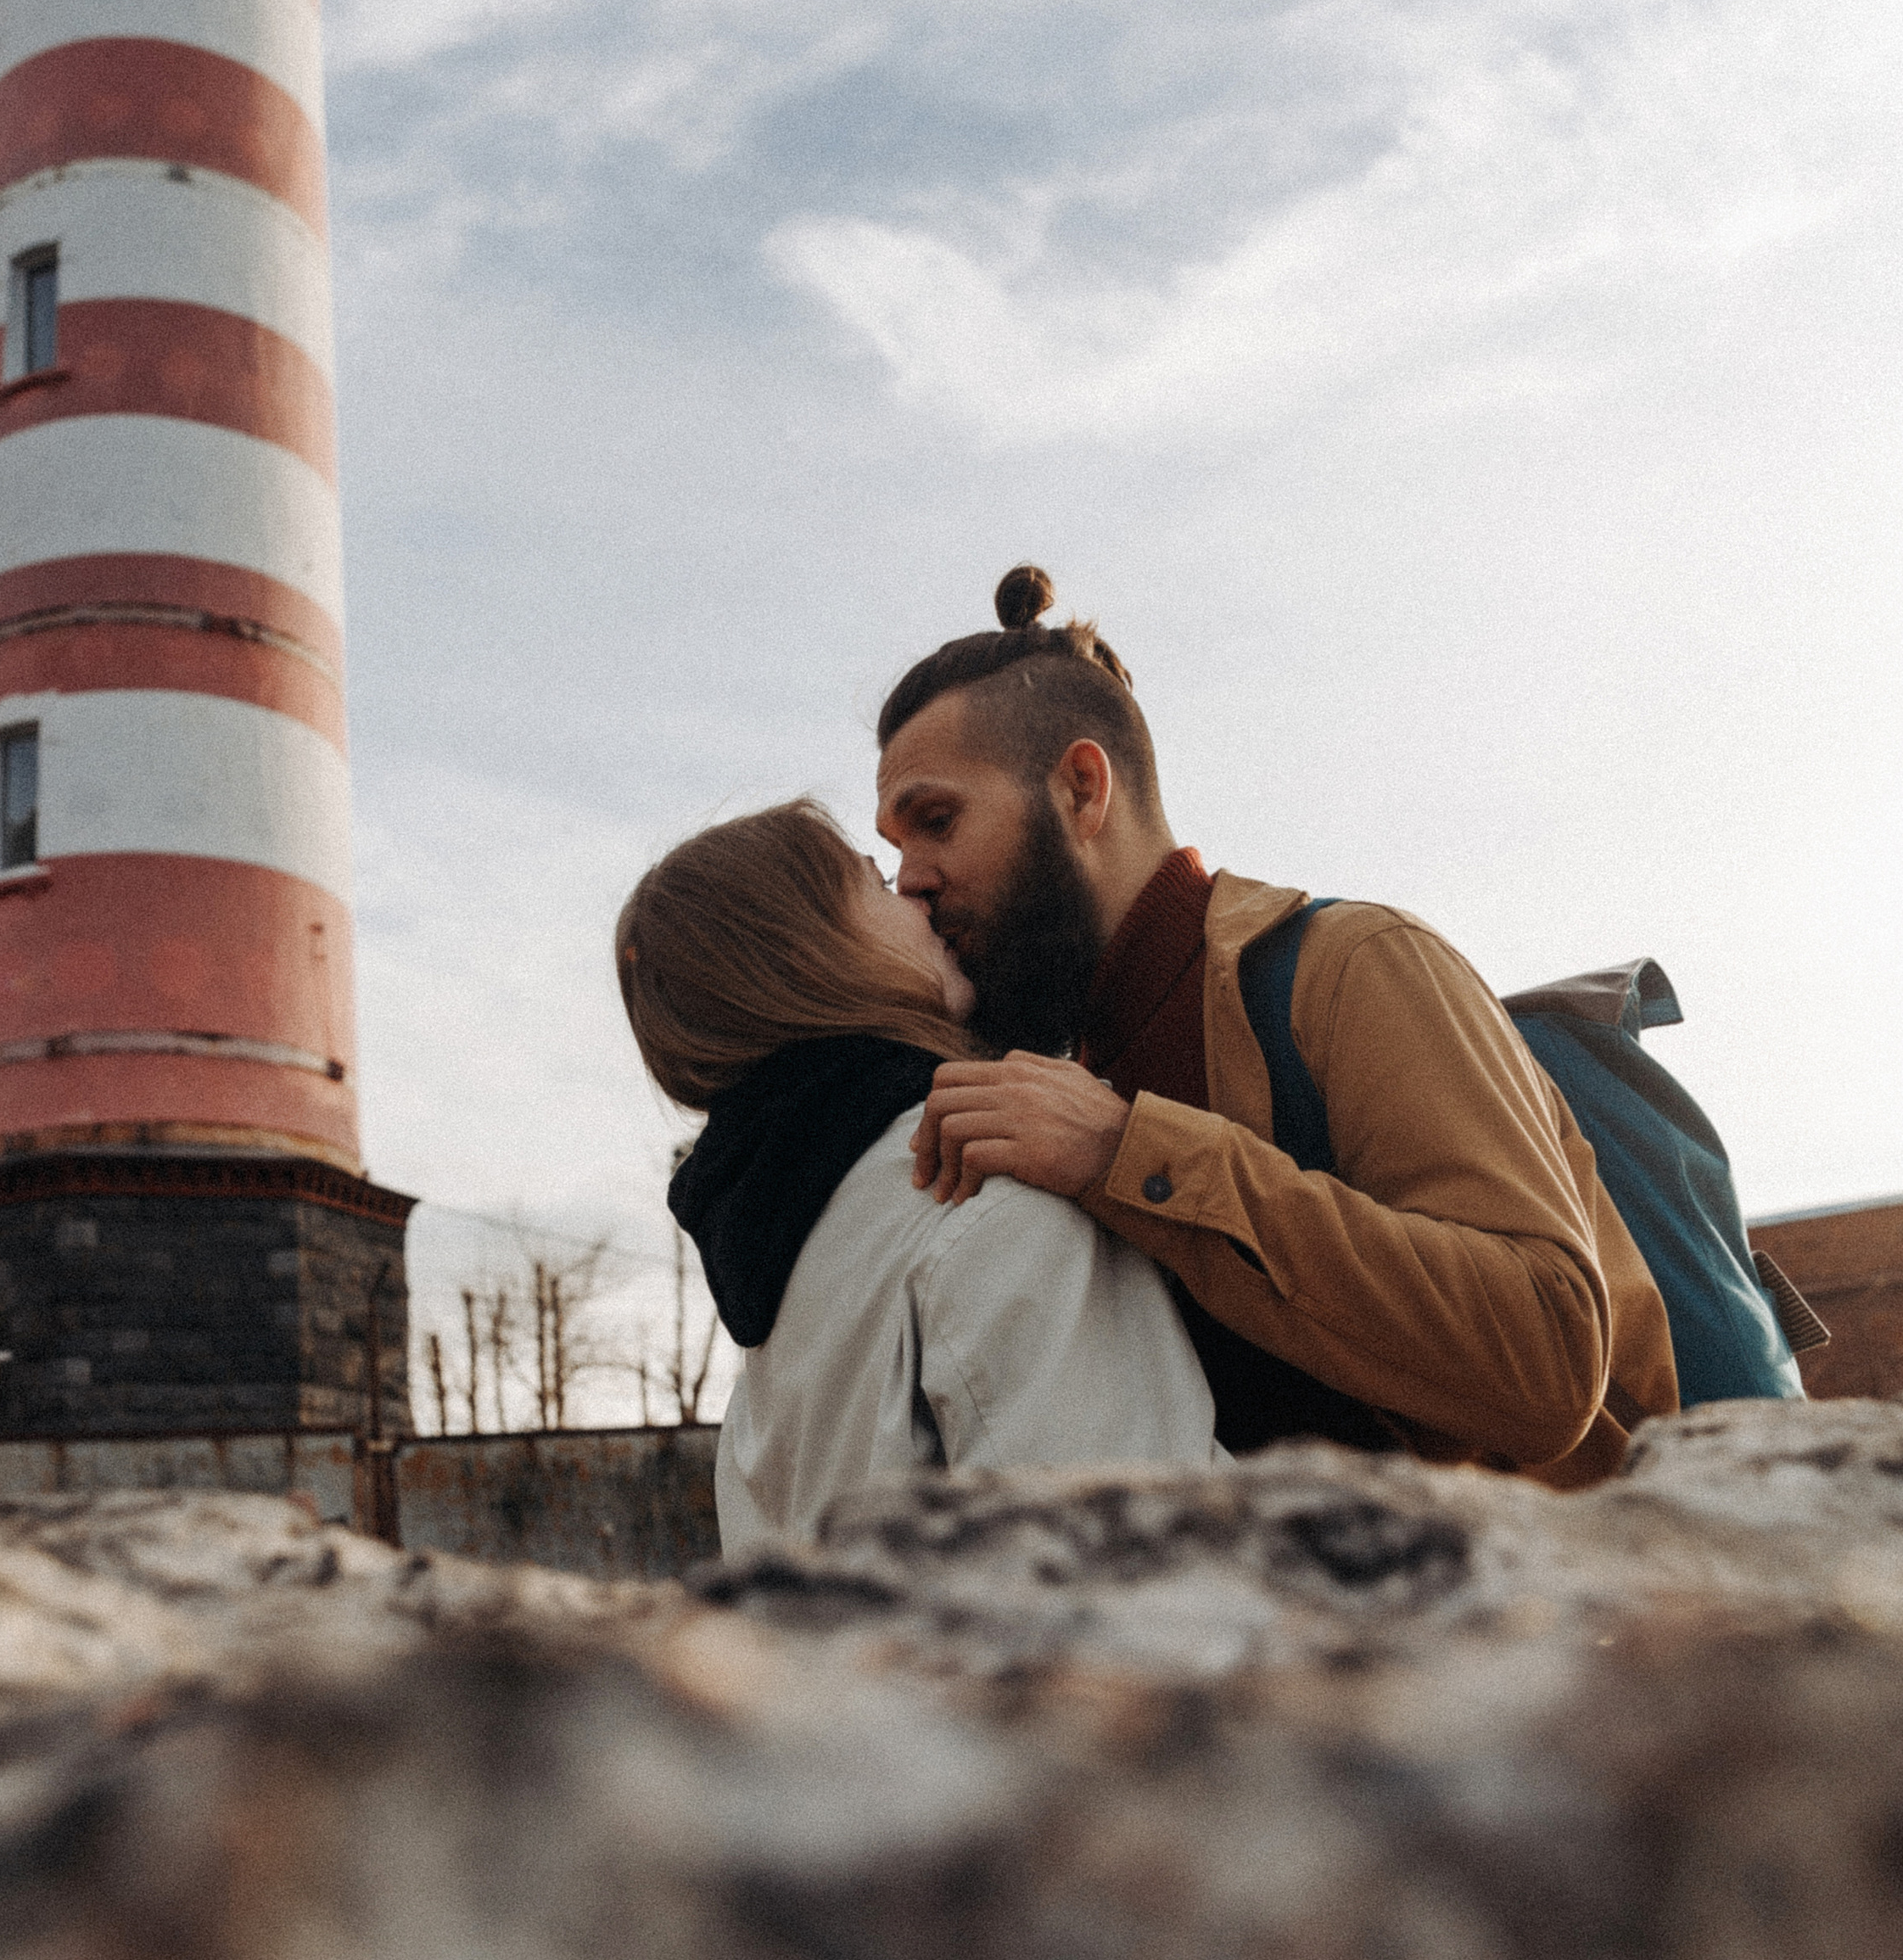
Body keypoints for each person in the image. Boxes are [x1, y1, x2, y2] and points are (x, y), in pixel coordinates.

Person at [875, 568, 1681, 1491]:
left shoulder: (1356, 965)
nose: (911, 880)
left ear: (1080, 791)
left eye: (935, 821)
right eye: (894, 851)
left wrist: (1127, 1154)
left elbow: (1545, 1363)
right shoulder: (1062, 1080)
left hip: (1599, 1614)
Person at [616, 798, 1218, 1559]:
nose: (912, 894)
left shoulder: (772, 1272)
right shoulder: (982, 1187)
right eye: (872, 885)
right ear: (811, 952)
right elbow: (1138, 1573)